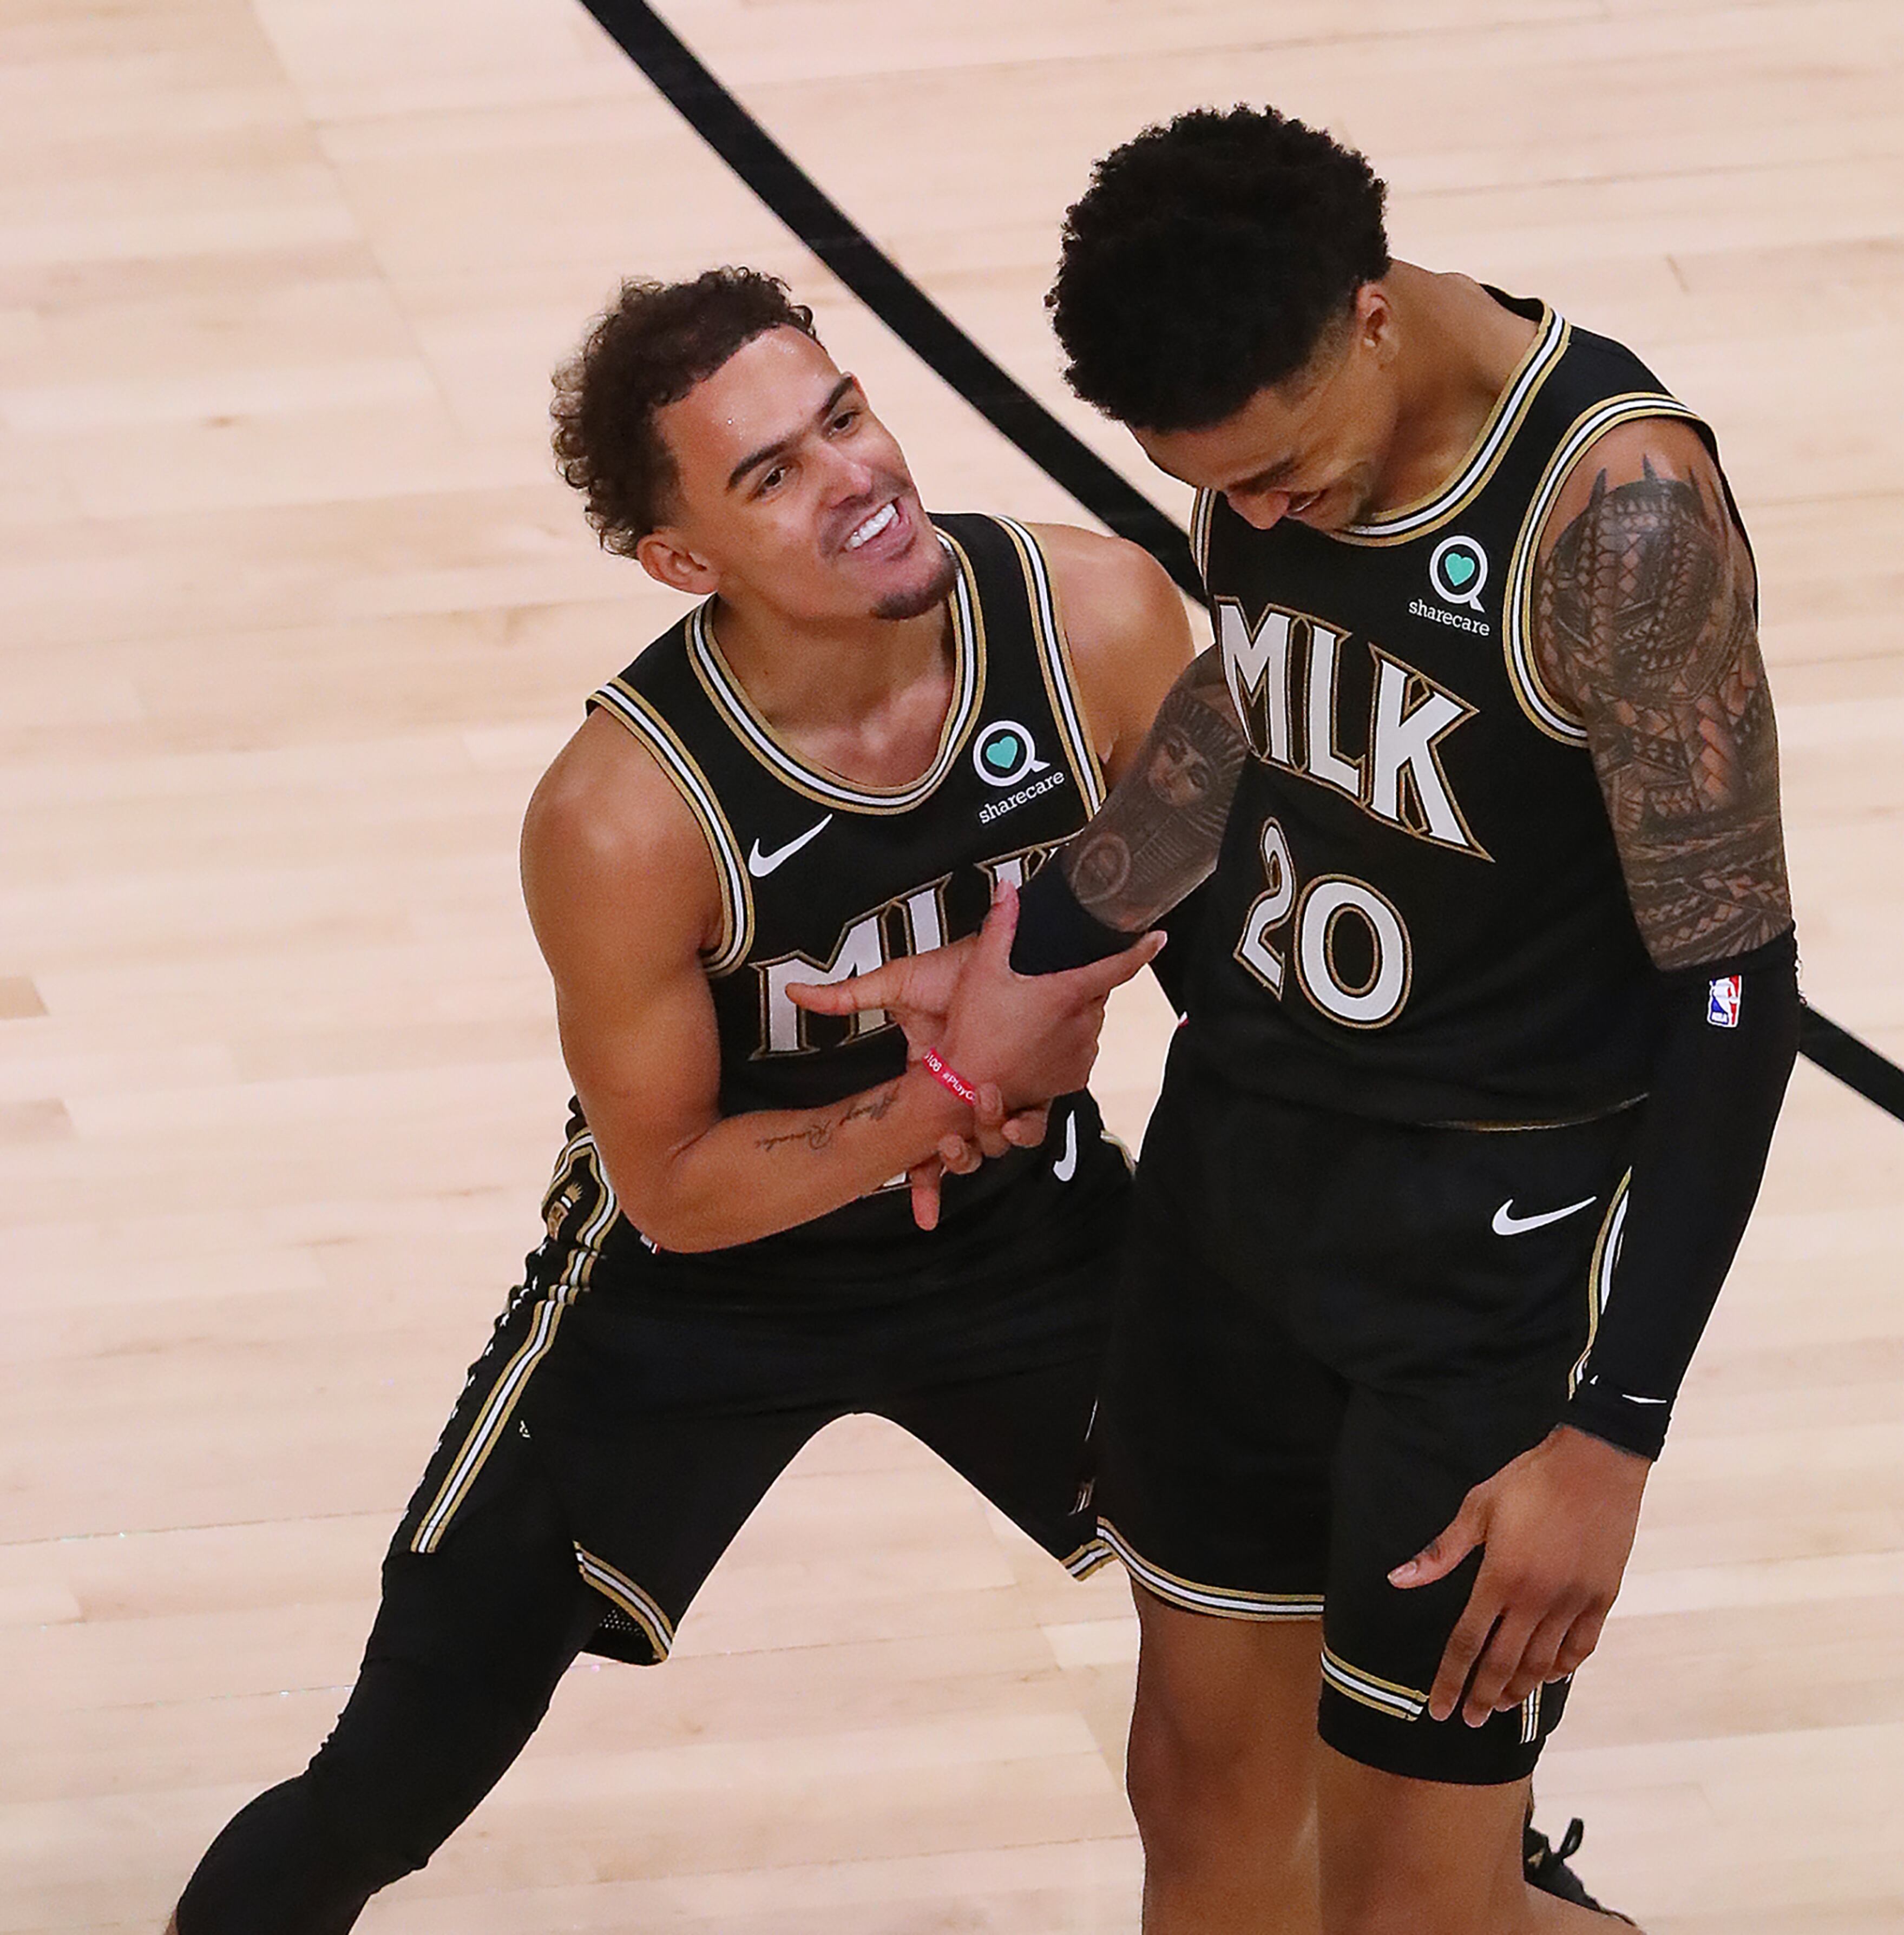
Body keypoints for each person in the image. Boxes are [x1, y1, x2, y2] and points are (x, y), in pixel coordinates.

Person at [802, 108, 1799, 1934]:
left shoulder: (1616, 514)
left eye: (1280, 476)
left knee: (1409, 1910)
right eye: (1220, 492)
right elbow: (1248, 692)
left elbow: (1734, 987)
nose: (1259, 517)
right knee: (1205, 1829)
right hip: (1242, 1176)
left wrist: (1617, 1434)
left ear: (1371, 317)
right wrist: (1045, 943)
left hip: (1482, 1253)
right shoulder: (1271, 439)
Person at [165, 268, 1185, 1934]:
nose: (855, 477)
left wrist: (1050, 1012)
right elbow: (673, 1186)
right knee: (390, 1778)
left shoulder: (1100, 618)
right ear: (684, 561)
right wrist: (949, 1084)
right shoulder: (624, 813)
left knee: (1354, 1629)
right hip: (697, 1293)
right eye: (771, 473)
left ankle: (1508, 1890)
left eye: (844, 416)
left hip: (1033, 1232)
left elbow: (1219, 937)